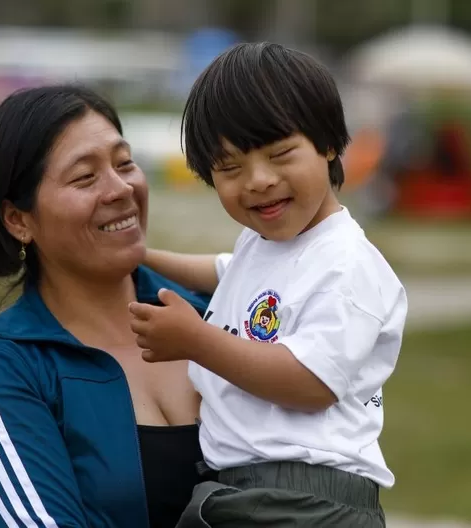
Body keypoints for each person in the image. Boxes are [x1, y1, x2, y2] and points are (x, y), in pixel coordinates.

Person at [129, 43, 408, 527]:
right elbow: (222, 269)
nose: (258, 180)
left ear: (329, 144)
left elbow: (311, 383)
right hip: (253, 493)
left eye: (280, 154)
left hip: (305, 500)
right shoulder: (266, 243)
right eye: (230, 167)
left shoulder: (346, 264)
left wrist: (197, 341)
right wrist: (138, 257)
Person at [0, 85, 211, 528]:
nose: (120, 188)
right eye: (85, 177)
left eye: (125, 162)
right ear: (18, 219)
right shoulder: (4, 368)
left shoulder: (213, 313)